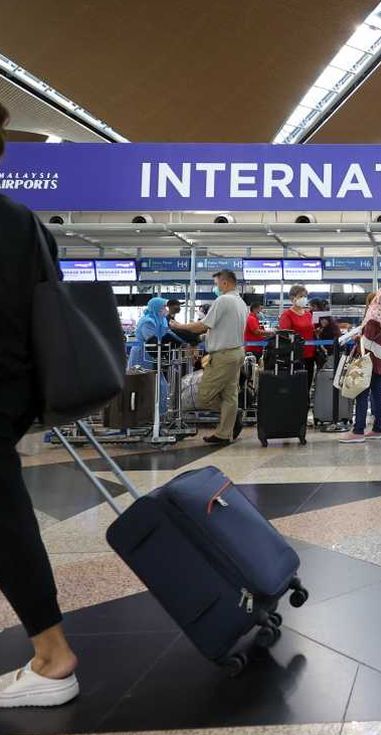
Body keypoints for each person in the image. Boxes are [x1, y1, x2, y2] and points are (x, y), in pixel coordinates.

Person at [0, 101, 80, 708]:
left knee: (5, 519)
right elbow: (50, 314)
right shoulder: (24, 222)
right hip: (12, 393)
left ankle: (54, 656)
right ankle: (51, 654)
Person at [177, 270, 248, 445]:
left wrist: (180, 326)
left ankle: (231, 415)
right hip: (237, 352)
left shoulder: (223, 300)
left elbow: (202, 325)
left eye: (216, 284)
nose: (215, 287)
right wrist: (206, 337)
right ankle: (224, 433)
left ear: (225, 283)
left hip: (223, 355)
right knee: (229, 395)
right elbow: (221, 329)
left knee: (203, 395)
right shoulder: (241, 302)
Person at [339, 289, 381, 444]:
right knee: (378, 394)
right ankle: (378, 429)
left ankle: (358, 431)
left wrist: (358, 338)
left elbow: (368, 339)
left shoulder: (373, 316)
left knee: (362, 393)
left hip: (370, 359)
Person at [127, 297, 184, 415]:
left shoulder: (161, 320)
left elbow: (169, 334)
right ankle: (140, 414)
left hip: (152, 353)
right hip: (142, 353)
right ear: (157, 308)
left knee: (159, 385)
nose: (166, 309)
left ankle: (157, 414)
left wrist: (184, 343)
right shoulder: (148, 321)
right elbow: (151, 341)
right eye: (164, 307)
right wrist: (163, 352)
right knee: (141, 382)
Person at [279, 284, 317, 391]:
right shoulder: (287, 315)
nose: (304, 299)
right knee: (296, 384)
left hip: (310, 354)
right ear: (292, 298)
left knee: (308, 382)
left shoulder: (308, 314)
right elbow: (284, 335)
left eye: (305, 296)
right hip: (295, 355)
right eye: (301, 296)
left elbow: (311, 330)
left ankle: (306, 404)